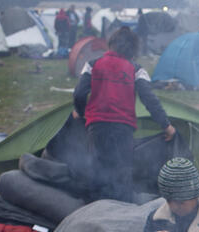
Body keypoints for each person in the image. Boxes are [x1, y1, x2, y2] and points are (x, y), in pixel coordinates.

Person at [73, 27, 176, 203]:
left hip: (96, 127)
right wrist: (166, 125)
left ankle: (93, 213)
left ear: (110, 44)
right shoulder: (135, 69)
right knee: (121, 174)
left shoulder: (92, 64)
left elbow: (79, 93)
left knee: (97, 172)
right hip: (123, 129)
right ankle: (121, 212)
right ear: (133, 50)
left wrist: (80, 112)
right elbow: (148, 98)